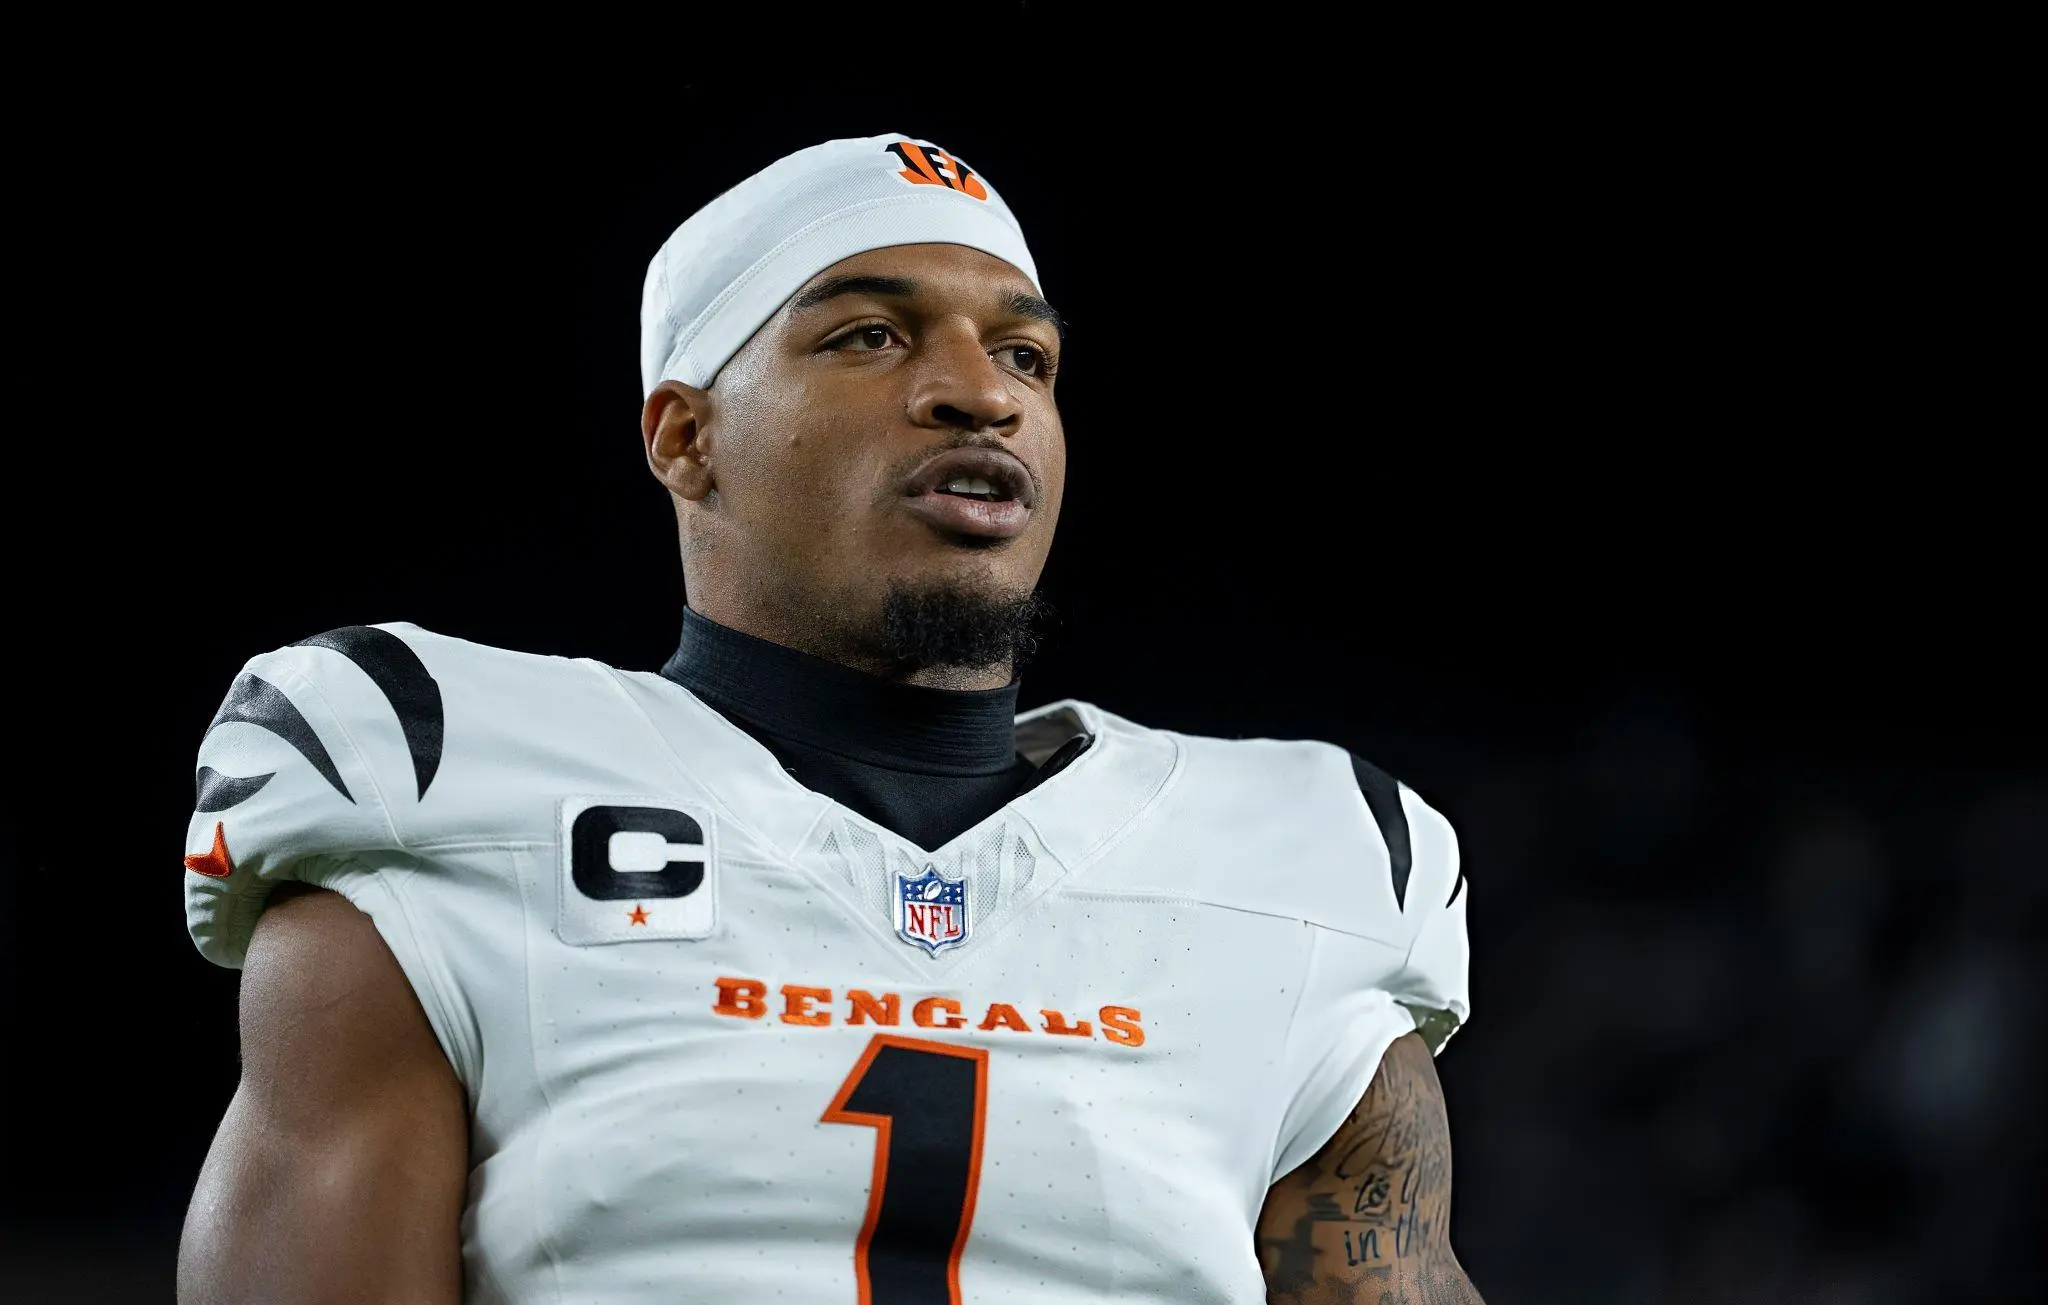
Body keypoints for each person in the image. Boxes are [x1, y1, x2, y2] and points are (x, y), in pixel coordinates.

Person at [176, 134, 1483, 1305]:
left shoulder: (1309, 860)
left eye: (1026, 354)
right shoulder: (436, 773)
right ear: (686, 438)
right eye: (870, 335)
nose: (982, 393)